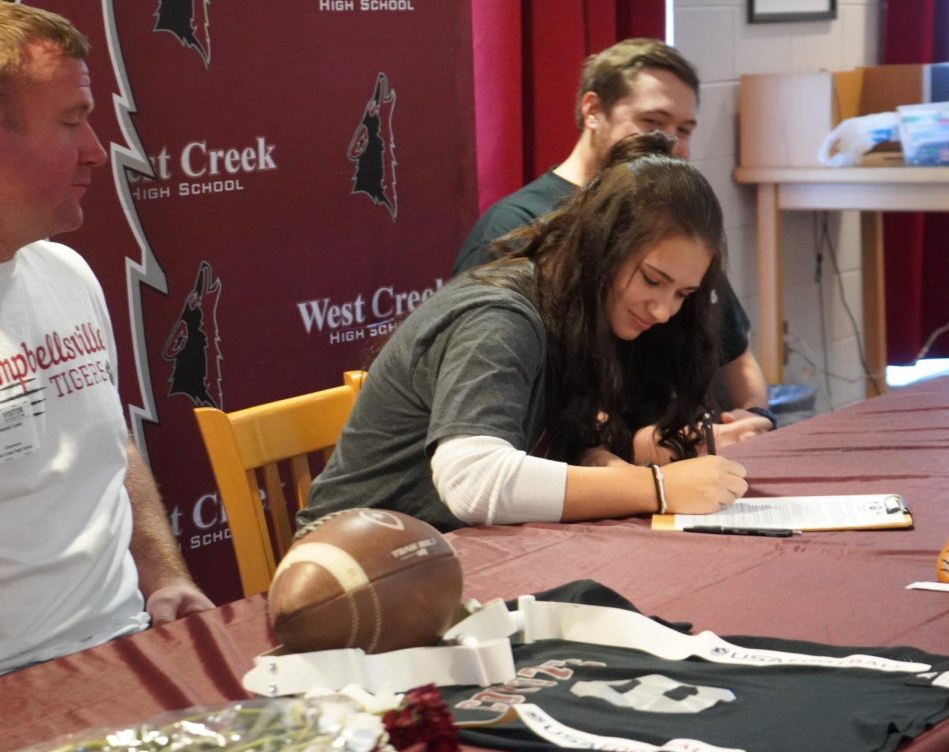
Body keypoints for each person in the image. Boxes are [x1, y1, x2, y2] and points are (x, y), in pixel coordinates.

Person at [301, 132, 749, 532]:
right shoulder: (499, 318)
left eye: (683, 294)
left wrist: (599, 459)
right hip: (351, 573)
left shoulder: (586, 312)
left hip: (447, 556)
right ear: (601, 246)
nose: (665, 310)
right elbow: (471, 482)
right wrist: (654, 487)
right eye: (652, 280)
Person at [0, 0, 213, 678]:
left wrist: (162, 574)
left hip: (131, 651)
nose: (100, 151)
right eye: (71, 122)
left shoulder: (66, 271)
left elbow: (107, 440)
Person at [454, 38, 776, 432]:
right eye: (652, 123)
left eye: (684, 129)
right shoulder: (516, 228)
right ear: (593, 110)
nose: (670, 144)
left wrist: (755, 419)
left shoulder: (681, 217)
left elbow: (735, 352)